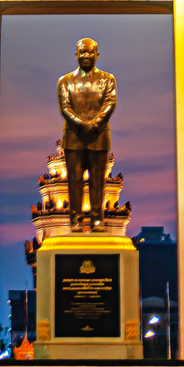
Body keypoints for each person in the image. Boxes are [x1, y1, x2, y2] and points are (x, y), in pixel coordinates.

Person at [57, 38, 116, 233]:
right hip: (74, 137)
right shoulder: (65, 81)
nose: (86, 56)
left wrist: (96, 123)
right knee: (74, 181)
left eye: (90, 52)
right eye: (82, 52)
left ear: (97, 55)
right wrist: (82, 124)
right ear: (76, 55)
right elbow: (65, 107)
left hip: (99, 136)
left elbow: (110, 103)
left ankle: (98, 220)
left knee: (98, 181)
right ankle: (76, 220)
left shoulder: (108, 79)